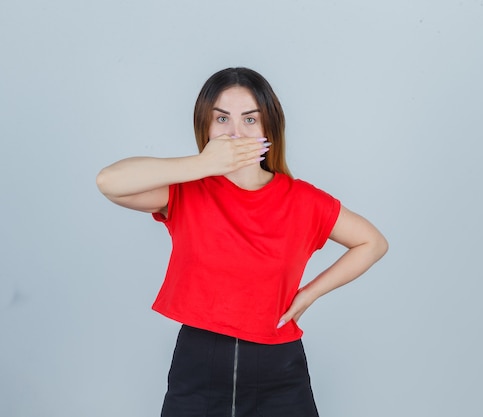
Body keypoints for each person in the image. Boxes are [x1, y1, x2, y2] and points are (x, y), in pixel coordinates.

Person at [96, 67, 388, 417]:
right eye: (222, 119)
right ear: (205, 126)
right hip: (198, 365)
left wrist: (308, 294)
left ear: (268, 129)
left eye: (250, 120)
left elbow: (372, 242)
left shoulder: (303, 201)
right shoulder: (185, 192)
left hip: (280, 372)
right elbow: (109, 181)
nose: (235, 132)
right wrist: (201, 164)